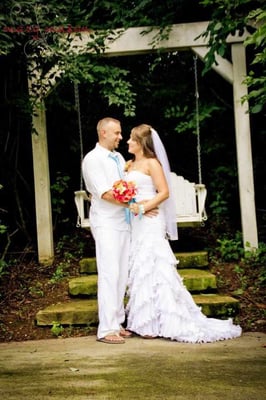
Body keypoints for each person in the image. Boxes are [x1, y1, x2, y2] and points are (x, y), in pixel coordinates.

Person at [124, 123, 242, 343]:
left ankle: (168, 321)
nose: (127, 142)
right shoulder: (129, 164)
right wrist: (131, 205)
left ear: (141, 144)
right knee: (140, 266)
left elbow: (164, 192)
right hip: (136, 223)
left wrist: (144, 207)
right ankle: (144, 321)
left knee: (155, 266)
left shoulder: (152, 163)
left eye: (131, 139)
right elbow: (127, 192)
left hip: (150, 220)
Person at [82, 117, 133, 344]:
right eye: (117, 133)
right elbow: (105, 193)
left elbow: (125, 187)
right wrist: (135, 206)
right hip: (106, 223)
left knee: (122, 273)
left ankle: (117, 322)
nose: (120, 137)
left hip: (123, 223)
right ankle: (106, 329)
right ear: (103, 132)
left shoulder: (119, 157)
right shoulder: (92, 160)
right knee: (109, 273)